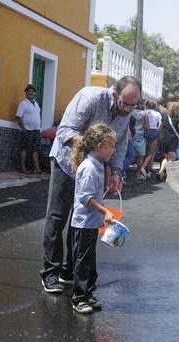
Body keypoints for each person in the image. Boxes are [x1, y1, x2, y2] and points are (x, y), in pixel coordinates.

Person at [40, 75, 141, 294]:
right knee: (58, 217)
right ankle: (50, 273)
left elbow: (121, 143)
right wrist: (92, 146)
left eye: (133, 105)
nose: (127, 109)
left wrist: (116, 172)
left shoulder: (127, 113)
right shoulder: (90, 98)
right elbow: (64, 131)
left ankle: (70, 271)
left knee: (82, 220)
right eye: (125, 103)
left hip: (95, 169)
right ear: (115, 93)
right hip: (66, 163)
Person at [68, 123, 117, 313]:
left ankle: (87, 293)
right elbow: (85, 198)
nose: (113, 149)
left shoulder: (96, 166)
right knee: (82, 260)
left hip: (90, 223)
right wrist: (104, 211)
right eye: (111, 145)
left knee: (89, 259)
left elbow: (93, 194)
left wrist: (107, 191)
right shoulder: (89, 168)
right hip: (83, 223)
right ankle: (79, 298)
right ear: (100, 147)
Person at [15, 84, 43, 174]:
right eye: (29, 91)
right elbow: (18, 117)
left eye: (32, 91)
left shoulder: (37, 104)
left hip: (36, 130)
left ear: (35, 93)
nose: (31, 93)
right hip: (27, 130)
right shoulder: (23, 104)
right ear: (26, 93)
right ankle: (23, 168)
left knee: (35, 149)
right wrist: (23, 129)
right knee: (25, 149)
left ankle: (36, 168)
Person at [157, 101, 179, 181]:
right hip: (172, 139)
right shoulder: (178, 119)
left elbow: (159, 128)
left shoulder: (164, 117)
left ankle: (161, 171)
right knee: (173, 158)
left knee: (167, 157)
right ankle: (165, 173)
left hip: (163, 139)